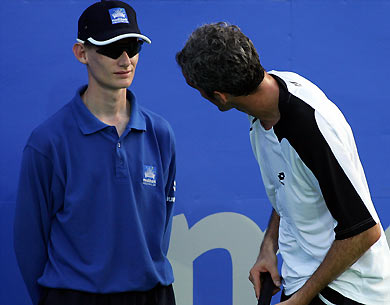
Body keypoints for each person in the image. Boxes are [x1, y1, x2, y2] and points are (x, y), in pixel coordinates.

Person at [176, 22, 390, 305]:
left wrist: (300, 299)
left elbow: (365, 230)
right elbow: (288, 185)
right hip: (304, 280)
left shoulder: (310, 127)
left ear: (220, 96)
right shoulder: (262, 104)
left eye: (200, 91)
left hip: (347, 293)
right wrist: (269, 246)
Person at [13, 1, 176, 305]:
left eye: (132, 46)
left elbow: (160, 227)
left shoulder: (161, 133)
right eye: (112, 49)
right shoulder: (48, 142)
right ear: (81, 53)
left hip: (153, 296)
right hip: (74, 297)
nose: (126, 60)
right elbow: (29, 241)